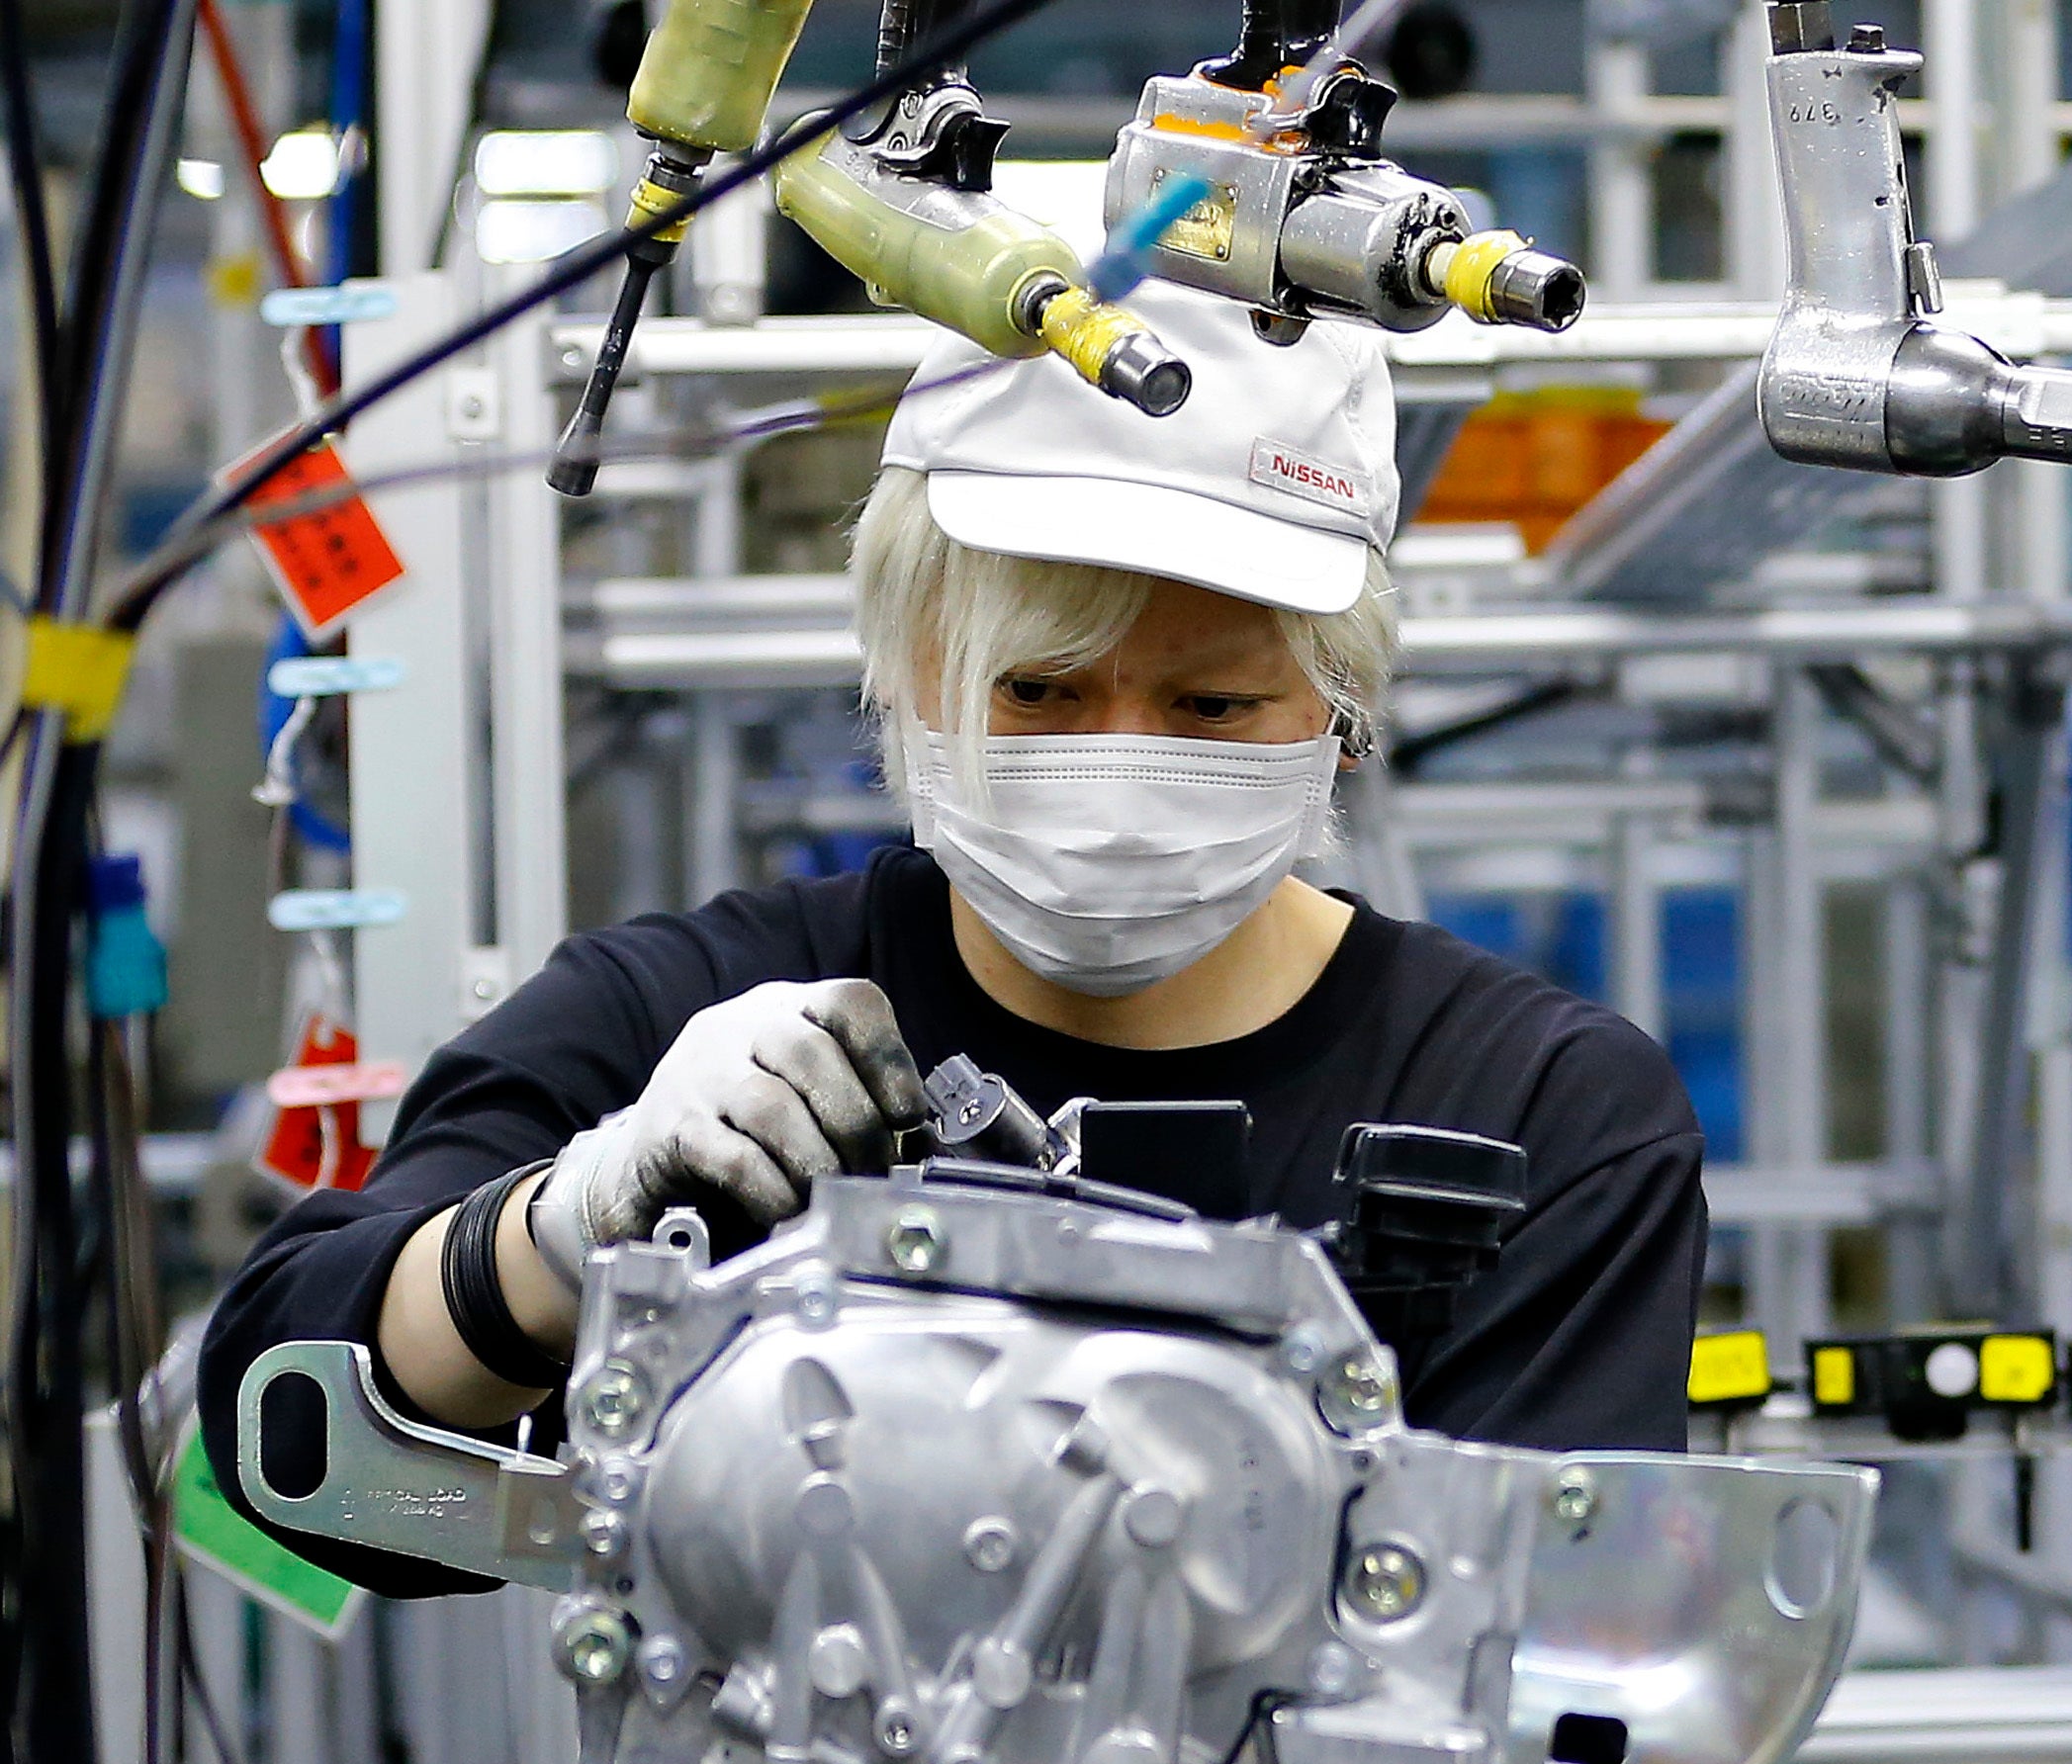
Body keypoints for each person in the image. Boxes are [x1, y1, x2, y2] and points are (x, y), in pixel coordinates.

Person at [202, 292, 1704, 1587]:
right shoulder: (690, 1020)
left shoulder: (1535, 1113)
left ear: (1343, 717)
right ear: (904, 683)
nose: (1120, 767)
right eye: (1039, 692)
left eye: (1211, 707)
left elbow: (1548, 1684)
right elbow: (282, 1426)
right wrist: (568, 1227)